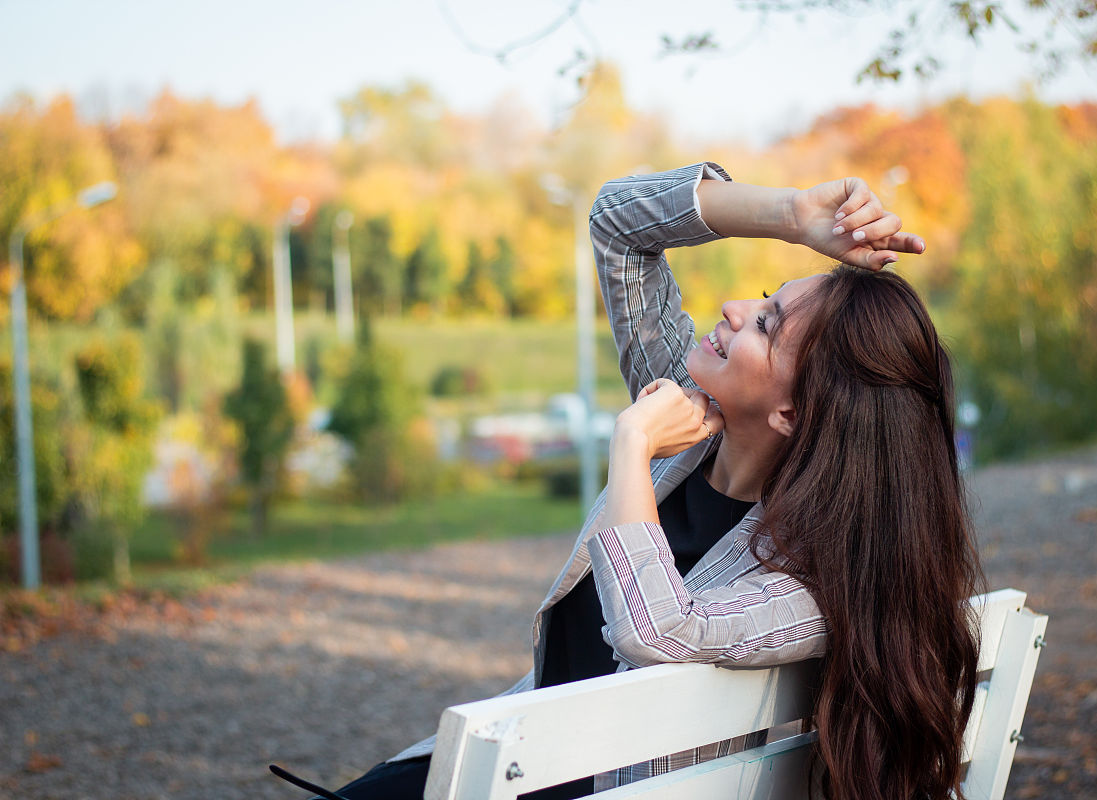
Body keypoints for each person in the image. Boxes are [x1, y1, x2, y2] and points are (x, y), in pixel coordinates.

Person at [282, 162, 982, 800]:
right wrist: (794, 217)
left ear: (792, 413)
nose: (735, 308)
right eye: (766, 296)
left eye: (765, 324)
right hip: (526, 758)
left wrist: (632, 442)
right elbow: (619, 222)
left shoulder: (816, 581)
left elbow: (657, 629)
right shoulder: (691, 417)